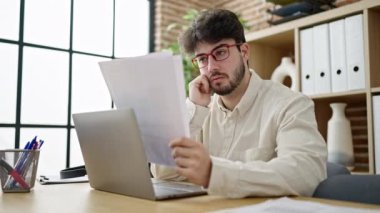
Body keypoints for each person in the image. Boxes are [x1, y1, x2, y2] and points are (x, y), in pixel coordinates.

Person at [151, 9, 327, 198]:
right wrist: (194, 108)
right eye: (202, 59)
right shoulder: (201, 110)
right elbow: (163, 173)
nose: (211, 67)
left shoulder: (290, 105)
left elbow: (305, 174)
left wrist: (214, 172)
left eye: (220, 52)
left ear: (244, 51)